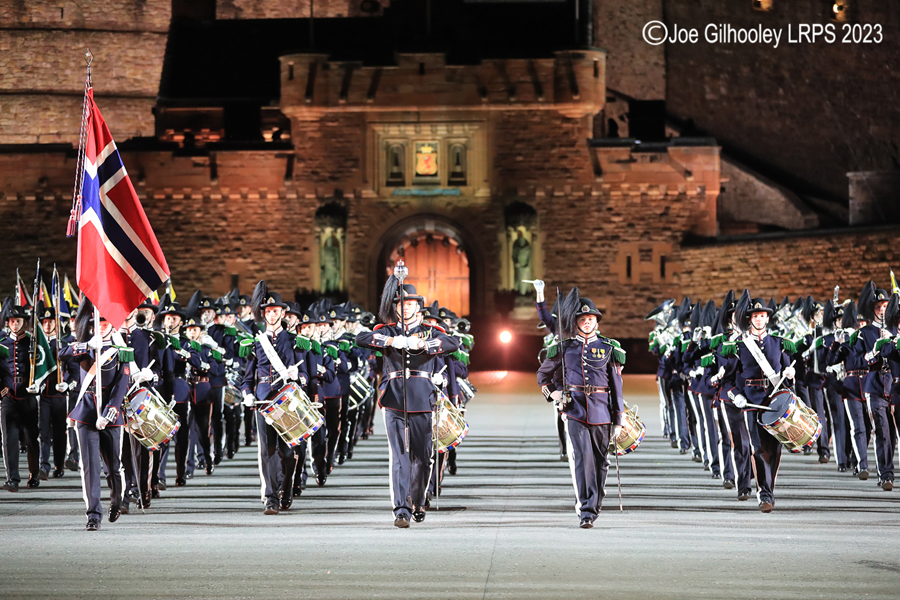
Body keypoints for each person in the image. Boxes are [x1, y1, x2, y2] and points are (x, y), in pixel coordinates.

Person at [355, 273, 459, 528]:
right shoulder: (387, 330)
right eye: (401, 304)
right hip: (394, 397)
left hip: (423, 397)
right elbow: (361, 338)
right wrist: (393, 341)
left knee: (422, 457)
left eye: (410, 304)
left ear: (417, 307)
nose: (406, 308)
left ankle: (418, 500)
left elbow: (452, 343)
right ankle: (401, 509)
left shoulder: (431, 331)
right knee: (400, 455)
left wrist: (422, 344)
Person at [537, 288, 625, 529]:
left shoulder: (609, 349)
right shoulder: (563, 348)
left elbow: (616, 386)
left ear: (596, 322)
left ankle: (595, 502)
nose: (587, 323)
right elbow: (543, 375)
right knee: (582, 459)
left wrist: (619, 419)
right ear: (576, 323)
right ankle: (585, 510)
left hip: (602, 412)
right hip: (574, 411)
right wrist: (554, 393)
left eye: (591, 319)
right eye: (583, 320)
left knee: (600, 462)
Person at [59, 300, 129, 531]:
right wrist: (87, 345)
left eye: (106, 322)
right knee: (89, 467)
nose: (102, 326)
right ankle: (93, 514)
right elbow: (62, 354)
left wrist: (110, 413)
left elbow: (122, 384)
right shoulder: (86, 345)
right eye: (98, 322)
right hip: (87, 410)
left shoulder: (121, 351)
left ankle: (116, 501)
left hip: (110, 412)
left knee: (113, 466)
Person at [239, 282, 308, 514]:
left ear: (283, 313)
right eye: (267, 311)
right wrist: (247, 393)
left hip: (287, 401)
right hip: (264, 401)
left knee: (288, 452)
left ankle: (286, 488)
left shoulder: (294, 340)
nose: (271, 315)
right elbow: (247, 377)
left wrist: (298, 375)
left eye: (275, 311)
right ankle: (271, 498)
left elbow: (306, 374)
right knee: (267, 451)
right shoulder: (257, 343)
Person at [729, 292, 794, 513]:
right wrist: (735, 395)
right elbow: (731, 378)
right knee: (757, 449)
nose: (758, 319)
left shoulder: (778, 343)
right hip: (752, 401)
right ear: (750, 319)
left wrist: (791, 374)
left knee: (774, 449)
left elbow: (787, 374)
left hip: (774, 401)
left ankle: (769, 490)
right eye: (755, 316)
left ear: (767, 319)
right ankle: (763, 493)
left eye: (762, 316)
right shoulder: (739, 346)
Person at [0, 302, 41, 491]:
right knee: (9, 438)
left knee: (31, 437)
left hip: (28, 394)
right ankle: (12, 479)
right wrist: (1, 390)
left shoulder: (33, 343)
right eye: (11, 321)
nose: (14, 324)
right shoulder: (2, 344)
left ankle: (34, 474)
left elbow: (43, 366)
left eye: (18, 321)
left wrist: (37, 384)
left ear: (24, 322)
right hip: (9, 395)